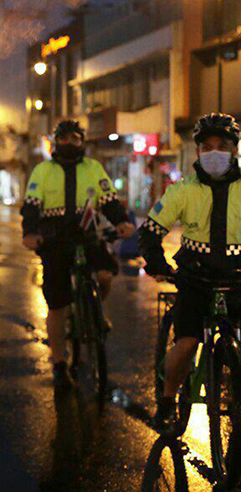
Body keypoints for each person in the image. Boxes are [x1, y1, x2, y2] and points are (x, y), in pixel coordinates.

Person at [139, 113, 241, 432]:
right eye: (206, 147)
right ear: (196, 152)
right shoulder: (182, 190)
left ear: (235, 150)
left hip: (237, 279)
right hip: (195, 281)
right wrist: (157, 265)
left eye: (222, 146)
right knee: (186, 343)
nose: (214, 153)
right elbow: (150, 232)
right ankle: (168, 399)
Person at [20, 119, 135, 389]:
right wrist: (30, 233)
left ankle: (96, 312)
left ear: (82, 142)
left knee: (106, 275)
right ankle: (59, 361)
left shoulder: (93, 168)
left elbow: (109, 200)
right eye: (64, 138)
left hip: (87, 237)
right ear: (56, 142)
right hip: (55, 242)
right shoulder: (42, 171)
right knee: (57, 305)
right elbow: (31, 206)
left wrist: (121, 222)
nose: (69, 142)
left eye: (75, 138)